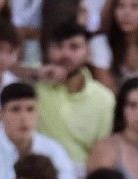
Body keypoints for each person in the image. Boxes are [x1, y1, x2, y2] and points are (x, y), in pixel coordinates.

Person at [34, 21, 116, 169]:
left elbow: (101, 151)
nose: (65, 54)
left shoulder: (104, 99)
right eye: (58, 47)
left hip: (83, 175)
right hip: (40, 172)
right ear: (47, 52)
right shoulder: (35, 87)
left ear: (88, 53)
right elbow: (5, 68)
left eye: (74, 47)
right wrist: (34, 73)